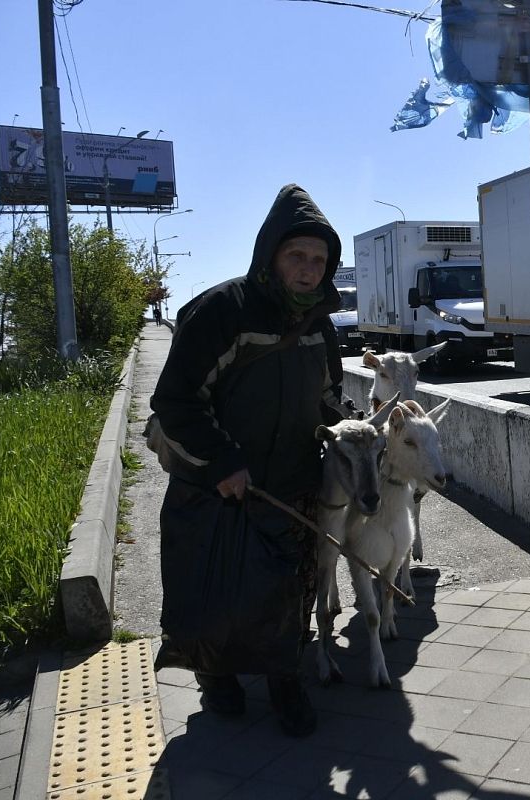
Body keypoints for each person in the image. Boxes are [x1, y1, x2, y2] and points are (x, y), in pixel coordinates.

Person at [150, 184, 351, 737]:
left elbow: (330, 398)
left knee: (288, 594)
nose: (309, 270)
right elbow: (176, 401)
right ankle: (216, 679)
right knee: (213, 593)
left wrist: (356, 431)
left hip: (289, 486)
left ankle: (286, 682)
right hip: (217, 487)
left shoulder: (320, 323)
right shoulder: (222, 311)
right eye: (297, 257)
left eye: (319, 260)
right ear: (271, 256)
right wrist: (222, 462)